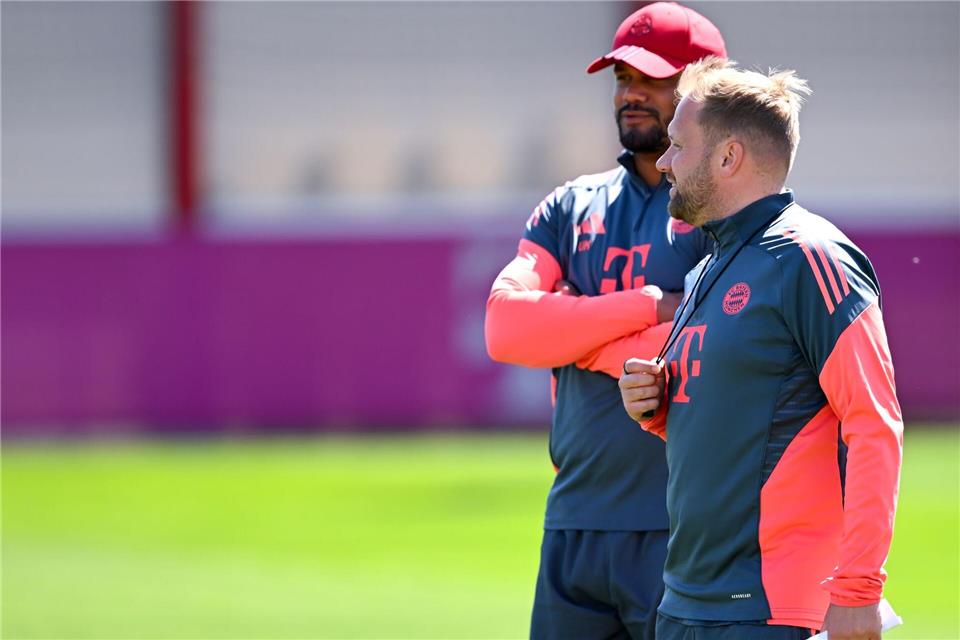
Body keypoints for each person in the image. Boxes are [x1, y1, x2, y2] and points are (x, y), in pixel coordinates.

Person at [619, 58, 903, 640]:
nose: (664, 161)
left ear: (728, 158)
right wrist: (654, 408)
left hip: (772, 610)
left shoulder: (811, 258)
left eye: (677, 144)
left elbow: (874, 425)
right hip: (685, 603)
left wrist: (857, 590)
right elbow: (741, 419)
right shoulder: (705, 271)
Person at [484, 3, 727, 638]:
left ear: (705, 86)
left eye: (651, 79)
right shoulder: (569, 207)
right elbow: (506, 329)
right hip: (573, 526)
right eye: (622, 79)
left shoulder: (730, 214)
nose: (630, 95)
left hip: (686, 530)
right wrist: (649, 305)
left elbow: (722, 352)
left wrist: (570, 334)